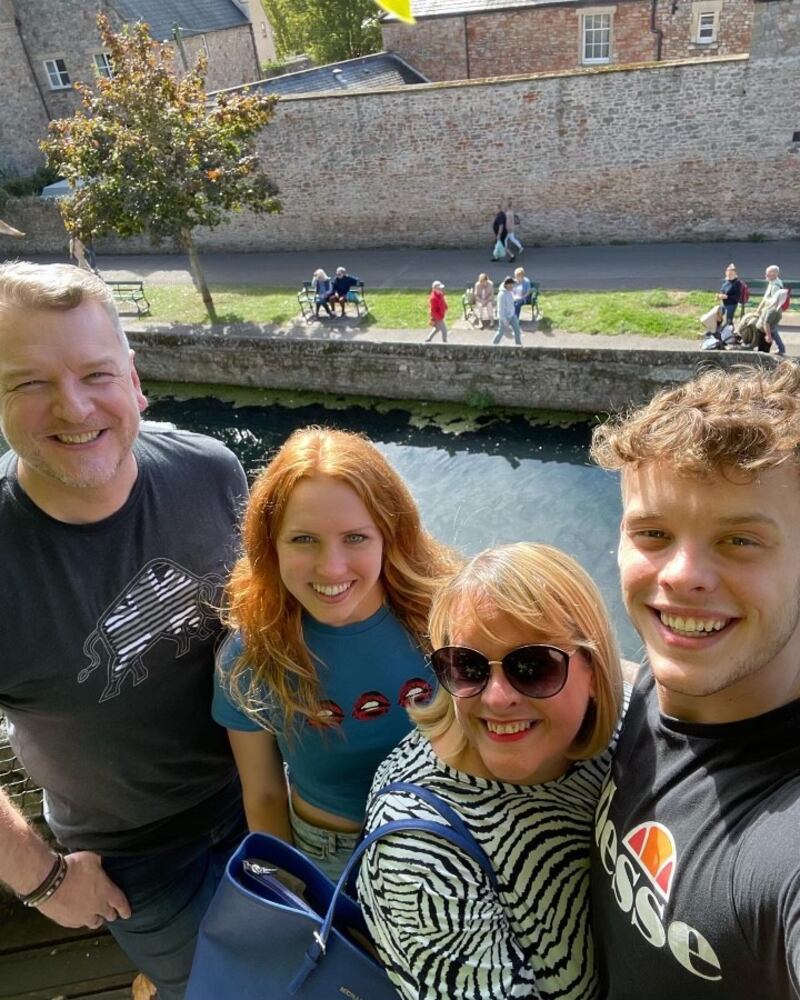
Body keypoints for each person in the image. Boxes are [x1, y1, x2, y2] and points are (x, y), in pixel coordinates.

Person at [0, 262, 248, 1000]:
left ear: (134, 381)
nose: (74, 409)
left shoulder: (211, 471)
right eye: (28, 382)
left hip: (264, 791)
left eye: (95, 374)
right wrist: (43, 882)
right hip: (132, 859)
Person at [590, 363, 800, 999]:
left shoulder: (781, 842)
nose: (682, 575)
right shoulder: (662, 682)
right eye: (652, 534)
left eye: (739, 540)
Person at [358, 542, 624, 999]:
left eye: (532, 666)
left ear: (595, 673)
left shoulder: (620, 736)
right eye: (468, 666)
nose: (498, 698)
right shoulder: (417, 855)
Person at [212, 427, 460, 879]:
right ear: (270, 544)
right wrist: (290, 892)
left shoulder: (447, 617)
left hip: (453, 834)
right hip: (332, 857)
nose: (331, 567)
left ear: (391, 533)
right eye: (303, 539)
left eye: (356, 538)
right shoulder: (252, 653)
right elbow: (265, 795)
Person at [755, 264, 787, 355]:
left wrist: (763, 311)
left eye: (768, 274)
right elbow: (765, 298)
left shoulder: (775, 286)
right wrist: (759, 309)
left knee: (769, 328)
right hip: (771, 311)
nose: (766, 276)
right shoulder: (773, 282)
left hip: (771, 312)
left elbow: (774, 301)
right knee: (772, 329)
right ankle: (780, 348)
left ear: (775, 274)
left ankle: (780, 348)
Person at [494, 275, 522, 345]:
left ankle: (518, 346)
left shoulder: (509, 291)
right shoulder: (502, 295)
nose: (512, 286)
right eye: (510, 285)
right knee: (500, 332)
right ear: (506, 285)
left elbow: (510, 301)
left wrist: (516, 298)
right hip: (504, 317)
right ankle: (494, 345)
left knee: (517, 331)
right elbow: (501, 309)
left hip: (512, 315)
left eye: (512, 284)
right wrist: (504, 320)